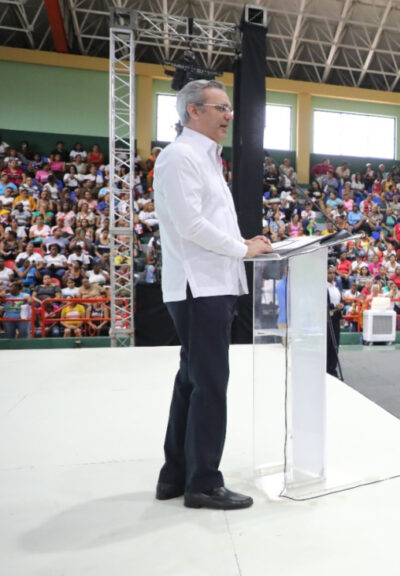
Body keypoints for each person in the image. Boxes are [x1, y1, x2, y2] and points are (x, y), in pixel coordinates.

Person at [153, 79, 272, 510]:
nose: (229, 116)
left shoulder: (204, 158)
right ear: (192, 112)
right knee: (210, 385)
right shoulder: (181, 156)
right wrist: (242, 248)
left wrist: (243, 241)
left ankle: (175, 475)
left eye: (229, 108)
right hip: (198, 287)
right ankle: (203, 482)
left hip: (209, 284)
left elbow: (208, 224)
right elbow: (190, 226)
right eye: (220, 108)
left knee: (192, 381)